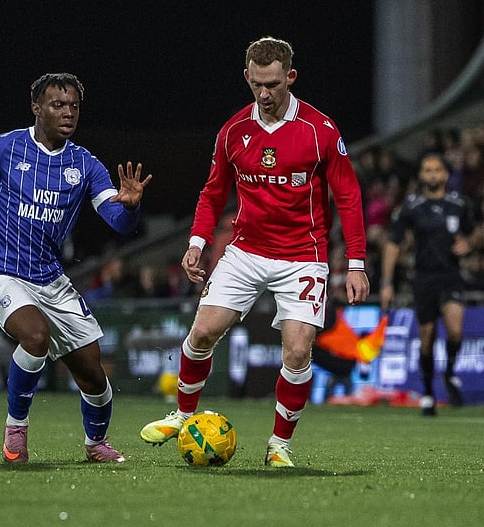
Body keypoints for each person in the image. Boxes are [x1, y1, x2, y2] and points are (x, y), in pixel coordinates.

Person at [138, 37, 369, 468]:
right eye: (257, 84)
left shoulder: (320, 131)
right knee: (203, 332)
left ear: (290, 78)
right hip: (246, 251)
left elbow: (349, 197)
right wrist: (196, 243)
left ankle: (279, 446)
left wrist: (355, 263)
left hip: (304, 254)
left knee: (298, 351)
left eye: (274, 84)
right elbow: (212, 193)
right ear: (247, 77)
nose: (265, 94)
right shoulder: (233, 131)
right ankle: (184, 416)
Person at [0, 72, 151, 464]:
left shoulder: (85, 165)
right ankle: (15, 431)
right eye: (58, 104)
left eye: (74, 105)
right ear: (36, 107)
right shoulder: (1, 149)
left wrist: (131, 205)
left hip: (49, 279)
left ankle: (96, 444)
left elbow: (120, 223)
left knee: (94, 374)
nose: (68, 112)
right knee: (35, 337)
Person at [379, 153, 475, 416]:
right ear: (421, 175)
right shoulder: (411, 206)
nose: (432, 175)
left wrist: (469, 243)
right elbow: (393, 242)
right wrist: (387, 282)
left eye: (437, 170)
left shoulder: (459, 204)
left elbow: (471, 232)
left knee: (455, 330)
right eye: (427, 170)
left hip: (451, 275)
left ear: (445, 175)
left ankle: (451, 373)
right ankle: (428, 394)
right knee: (426, 338)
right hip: (423, 278)